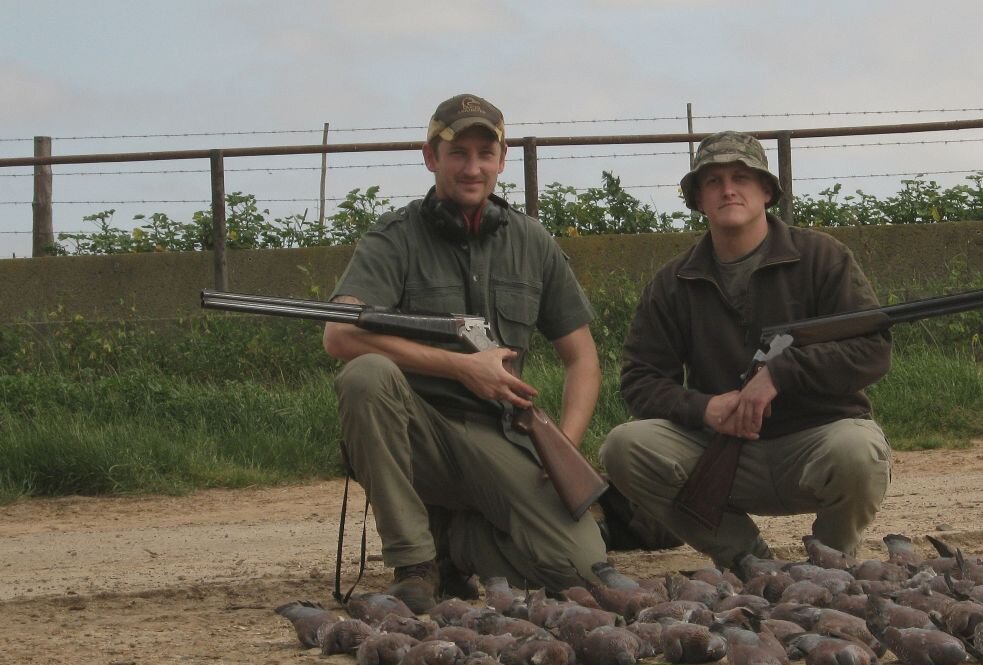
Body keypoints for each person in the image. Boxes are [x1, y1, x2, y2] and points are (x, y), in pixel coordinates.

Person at [323, 93, 606, 612]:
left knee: (581, 570)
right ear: (431, 157)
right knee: (365, 376)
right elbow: (339, 335)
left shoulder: (533, 241)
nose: (472, 167)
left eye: (484, 153)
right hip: (419, 433)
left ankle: (459, 543)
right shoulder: (393, 238)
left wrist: (564, 443)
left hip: (502, 435)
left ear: (501, 160)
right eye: (457, 153)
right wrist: (460, 366)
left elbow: (582, 358)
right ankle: (416, 563)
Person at [599, 131, 893, 572]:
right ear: (698, 198)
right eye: (712, 181)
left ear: (766, 192)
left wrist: (779, 375)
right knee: (623, 446)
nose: (728, 189)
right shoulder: (673, 282)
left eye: (741, 177)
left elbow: (872, 348)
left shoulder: (822, 257)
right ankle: (748, 563)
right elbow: (640, 378)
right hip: (722, 448)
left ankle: (830, 566)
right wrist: (706, 409)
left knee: (860, 451)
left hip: (814, 441)